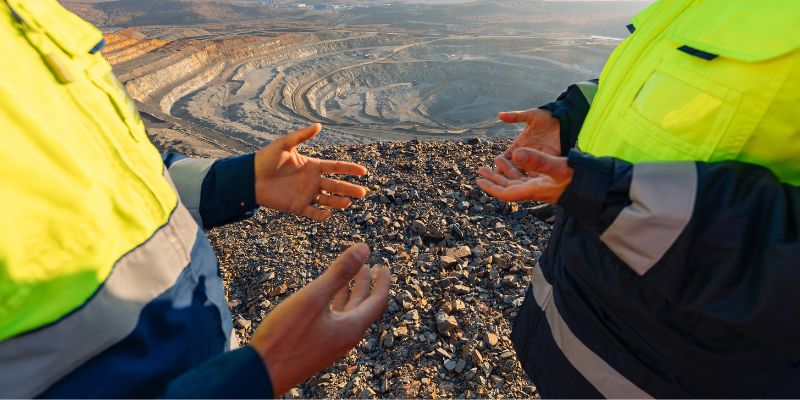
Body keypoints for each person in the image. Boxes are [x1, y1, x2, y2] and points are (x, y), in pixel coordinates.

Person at [0, 0, 389, 398]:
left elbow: (110, 173)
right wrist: (257, 374)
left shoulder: (28, 18)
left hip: (208, 358)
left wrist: (235, 182)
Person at [477, 0, 800, 397]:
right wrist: (571, 116)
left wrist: (612, 196)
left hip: (684, 374)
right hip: (580, 338)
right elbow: (659, 91)